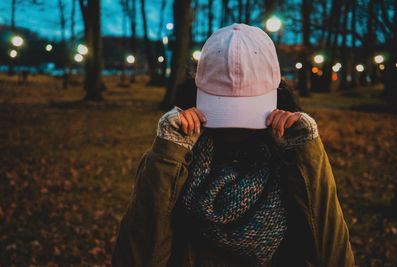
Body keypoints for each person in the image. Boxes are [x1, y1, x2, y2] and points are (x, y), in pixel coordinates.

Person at [112, 23, 355, 267]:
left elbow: (334, 259)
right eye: (224, 109)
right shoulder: (174, 158)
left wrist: (306, 153)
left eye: (246, 111)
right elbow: (134, 258)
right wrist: (168, 155)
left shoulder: (291, 161)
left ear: (278, 94)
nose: (235, 128)